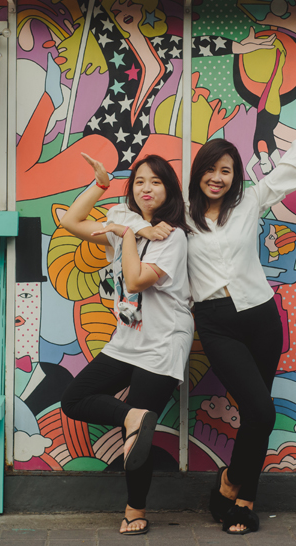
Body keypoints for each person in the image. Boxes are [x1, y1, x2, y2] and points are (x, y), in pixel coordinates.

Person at [192, 100, 296, 534]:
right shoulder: (181, 218)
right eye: (211, 169)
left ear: (235, 176)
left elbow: (291, 169)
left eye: (226, 171)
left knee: (256, 415)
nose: (218, 177)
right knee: (262, 411)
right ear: (199, 172)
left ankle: (244, 500)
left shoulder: (249, 202)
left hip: (261, 317)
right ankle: (228, 483)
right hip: (216, 321)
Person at [59, 152, 193, 536]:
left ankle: (135, 510)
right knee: (75, 399)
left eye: (156, 181)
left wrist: (129, 235)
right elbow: (71, 222)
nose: (146, 188)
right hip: (127, 338)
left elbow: (134, 280)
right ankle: (133, 416)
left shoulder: (172, 236)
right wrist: (100, 186)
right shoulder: (125, 220)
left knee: (135, 439)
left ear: (169, 189)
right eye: (139, 181)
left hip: (162, 341)